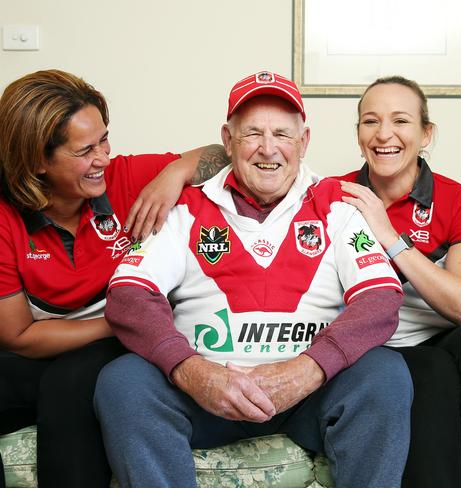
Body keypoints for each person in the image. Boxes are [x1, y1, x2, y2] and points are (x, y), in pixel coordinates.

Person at [93, 70, 413, 488]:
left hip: (310, 396)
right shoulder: (183, 207)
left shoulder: (340, 204)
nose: (268, 149)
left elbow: (381, 299)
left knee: (385, 373)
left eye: (282, 133)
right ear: (227, 141)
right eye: (252, 134)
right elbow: (128, 296)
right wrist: (191, 371)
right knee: (122, 381)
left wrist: (308, 370)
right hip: (204, 393)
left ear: (304, 141)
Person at [0, 69, 229, 488]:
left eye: (104, 138)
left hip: (120, 349)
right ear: (37, 160)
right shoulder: (5, 217)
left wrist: (174, 172)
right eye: (85, 149)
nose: (103, 156)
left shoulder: (122, 178)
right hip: (54, 342)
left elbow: (222, 154)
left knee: (71, 385)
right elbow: (17, 335)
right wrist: (122, 317)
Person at [337, 76, 461, 488]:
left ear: (426, 134)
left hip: (440, 335)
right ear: (358, 135)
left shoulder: (457, 200)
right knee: (431, 370)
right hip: (370, 345)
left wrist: (390, 238)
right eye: (370, 122)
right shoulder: (333, 196)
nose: (384, 134)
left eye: (401, 121)